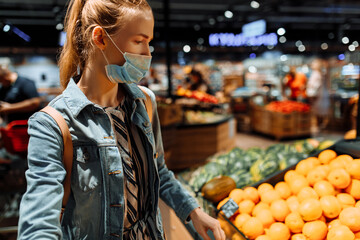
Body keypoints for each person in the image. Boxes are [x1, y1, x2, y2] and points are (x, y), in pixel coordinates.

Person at [17, 0, 225, 240]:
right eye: (138, 41)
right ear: (100, 38)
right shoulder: (53, 124)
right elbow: (39, 223)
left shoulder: (145, 102)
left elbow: (160, 172)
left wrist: (193, 210)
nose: (147, 54)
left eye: (149, 42)